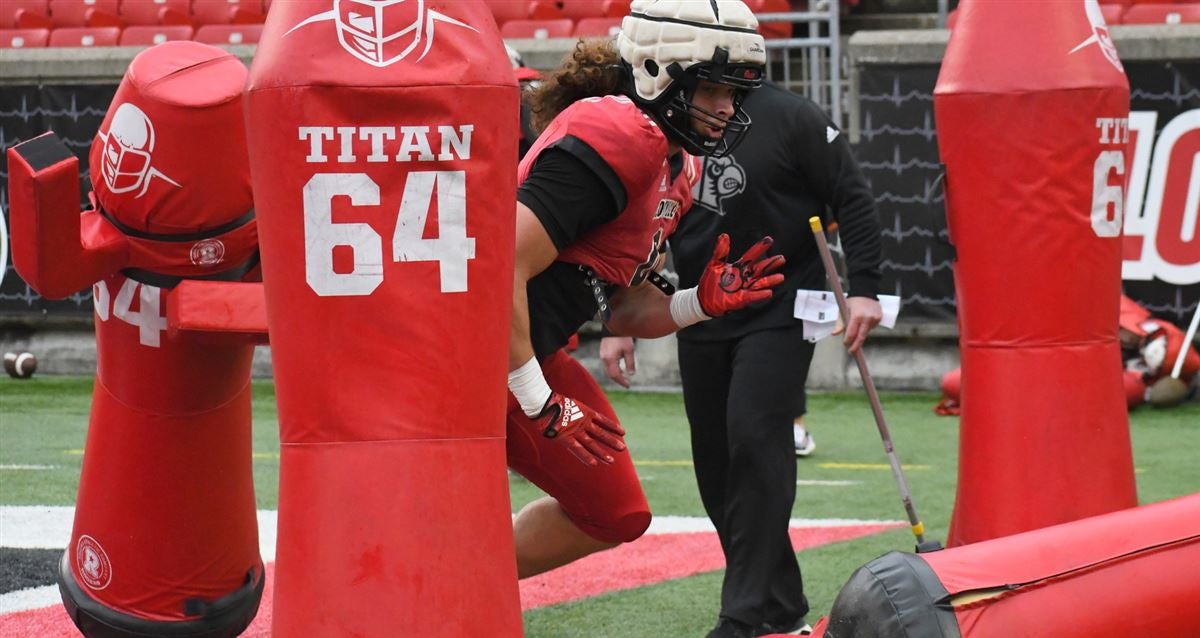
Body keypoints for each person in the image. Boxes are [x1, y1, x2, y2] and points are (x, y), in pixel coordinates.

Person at [602, 80, 885, 637]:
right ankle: (779, 601)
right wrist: (620, 316)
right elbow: (645, 225)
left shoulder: (793, 116)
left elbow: (852, 196)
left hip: (781, 307)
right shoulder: (669, 119)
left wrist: (867, 288)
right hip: (698, 309)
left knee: (755, 437)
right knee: (715, 466)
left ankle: (743, 613)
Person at [507, 0, 779, 580]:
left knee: (616, 511)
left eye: (735, 95)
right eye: (712, 90)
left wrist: (697, 304)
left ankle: (461, 581)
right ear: (661, 72)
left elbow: (624, 309)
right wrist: (540, 400)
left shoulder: (674, 165)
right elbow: (494, 267)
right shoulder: (619, 132)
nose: (727, 109)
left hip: (527, 348)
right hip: (471, 354)